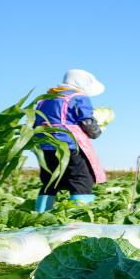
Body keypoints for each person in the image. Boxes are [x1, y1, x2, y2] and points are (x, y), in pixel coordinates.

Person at [33, 69, 107, 212]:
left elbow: (34, 122)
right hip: (68, 145)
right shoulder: (78, 97)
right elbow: (87, 122)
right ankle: (79, 219)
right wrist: (98, 131)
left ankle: (40, 215)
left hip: (44, 146)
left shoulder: (45, 99)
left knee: (50, 181)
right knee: (81, 180)